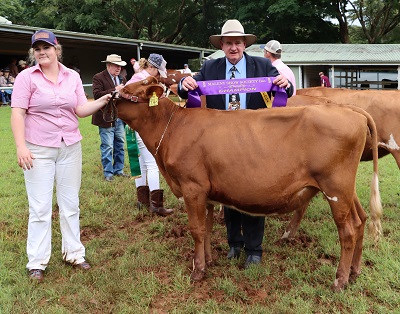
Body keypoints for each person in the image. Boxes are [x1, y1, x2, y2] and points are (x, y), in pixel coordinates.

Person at [178, 19, 293, 268]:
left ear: (244, 45)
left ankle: (254, 249)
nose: (233, 47)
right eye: (228, 43)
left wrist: (286, 84)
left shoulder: (262, 65)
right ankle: (234, 244)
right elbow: (187, 87)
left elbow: (288, 89)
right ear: (221, 45)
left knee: (254, 192)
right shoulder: (210, 68)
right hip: (221, 145)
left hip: (254, 142)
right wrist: (183, 84)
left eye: (237, 43)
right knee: (227, 194)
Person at [10, 29, 112, 283]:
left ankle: (74, 253)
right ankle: (37, 261)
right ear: (34, 52)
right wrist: (21, 147)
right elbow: (18, 113)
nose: (42, 52)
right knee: (40, 208)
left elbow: (79, 109)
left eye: (47, 47)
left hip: (70, 147)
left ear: (57, 49)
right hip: (38, 150)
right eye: (38, 49)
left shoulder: (72, 77)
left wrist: (102, 100)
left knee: (70, 204)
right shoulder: (26, 77)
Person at [122, 54, 174, 217]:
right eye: (158, 73)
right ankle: (156, 205)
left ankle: (142, 200)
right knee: (152, 163)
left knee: (141, 163)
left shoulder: (135, 78)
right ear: (152, 68)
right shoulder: (144, 81)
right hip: (143, 126)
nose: (158, 76)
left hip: (132, 126)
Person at [92, 54, 129, 181]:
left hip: (119, 117)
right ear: (108, 65)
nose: (118, 68)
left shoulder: (122, 78)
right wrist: (114, 90)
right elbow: (97, 95)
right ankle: (108, 173)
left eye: (120, 66)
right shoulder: (98, 77)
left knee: (120, 144)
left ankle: (118, 170)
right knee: (107, 146)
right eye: (116, 65)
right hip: (105, 117)